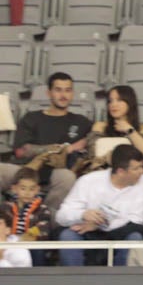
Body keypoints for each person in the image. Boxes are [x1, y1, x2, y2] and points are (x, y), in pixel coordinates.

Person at [0, 72, 92, 209]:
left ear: (72, 93)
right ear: (49, 93)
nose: (63, 95)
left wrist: (91, 136)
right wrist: (61, 149)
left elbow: (95, 138)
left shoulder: (81, 121)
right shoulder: (32, 117)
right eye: (58, 90)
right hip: (26, 169)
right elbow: (21, 151)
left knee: (67, 177)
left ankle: (44, 216)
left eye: (68, 90)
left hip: (55, 173)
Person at [54, 144, 143, 267]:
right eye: (137, 168)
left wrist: (100, 224)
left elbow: (137, 220)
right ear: (120, 171)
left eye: (142, 166)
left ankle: (121, 279)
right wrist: (82, 214)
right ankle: (75, 279)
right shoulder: (88, 181)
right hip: (88, 232)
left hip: (120, 233)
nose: (142, 171)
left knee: (135, 238)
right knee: (68, 236)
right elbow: (61, 216)